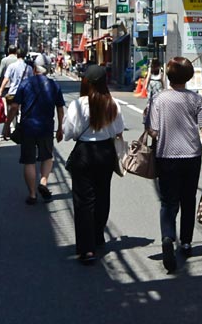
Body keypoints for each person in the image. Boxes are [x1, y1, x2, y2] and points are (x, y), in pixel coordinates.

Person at [147, 57, 202, 272]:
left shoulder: (158, 99)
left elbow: (152, 131)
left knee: (168, 202)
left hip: (166, 156)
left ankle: (168, 237)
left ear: (167, 76)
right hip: (191, 156)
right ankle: (186, 242)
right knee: (188, 199)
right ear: (188, 77)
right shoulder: (195, 100)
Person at [62, 65, 124, 263]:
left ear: (86, 82)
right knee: (102, 195)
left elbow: (68, 132)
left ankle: (86, 249)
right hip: (106, 152)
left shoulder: (78, 105)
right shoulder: (112, 103)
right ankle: (98, 236)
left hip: (84, 152)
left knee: (83, 201)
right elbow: (119, 130)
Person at [3, 54, 65, 205]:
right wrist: (60, 129)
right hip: (46, 127)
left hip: (28, 127)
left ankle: (32, 195)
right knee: (47, 157)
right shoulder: (54, 85)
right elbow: (60, 109)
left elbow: (14, 107)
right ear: (48, 68)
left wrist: (7, 125)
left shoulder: (25, 84)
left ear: (34, 68)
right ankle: (43, 182)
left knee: (29, 161)